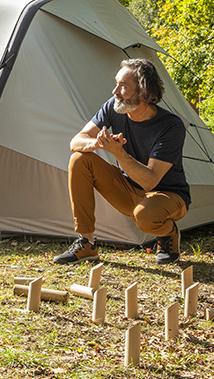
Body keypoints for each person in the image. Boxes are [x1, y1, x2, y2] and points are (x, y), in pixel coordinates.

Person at [53, 58, 190, 265]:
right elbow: (76, 141)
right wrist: (98, 144)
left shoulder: (171, 126)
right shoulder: (113, 108)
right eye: (116, 83)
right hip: (127, 190)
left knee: (145, 216)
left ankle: (168, 234)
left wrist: (118, 152)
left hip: (167, 196)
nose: (115, 91)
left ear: (143, 92)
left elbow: (150, 181)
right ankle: (86, 243)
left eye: (123, 86)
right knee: (79, 159)